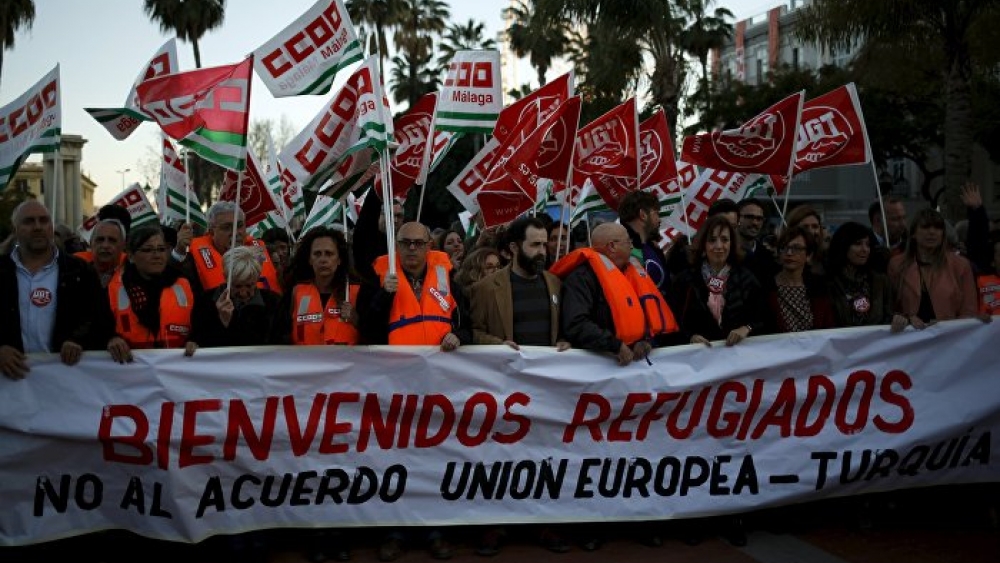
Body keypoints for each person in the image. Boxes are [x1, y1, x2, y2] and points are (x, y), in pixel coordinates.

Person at [0, 200, 112, 380]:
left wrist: (78, 340)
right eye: (29, 221)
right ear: (15, 229)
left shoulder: (80, 271)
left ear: (51, 227)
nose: (38, 227)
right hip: (10, 383)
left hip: (64, 380)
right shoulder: (2, 271)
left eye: (44, 220)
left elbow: (100, 320)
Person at [551, 223, 678, 366]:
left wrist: (645, 340)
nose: (631, 246)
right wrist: (615, 345)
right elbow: (576, 323)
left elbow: (645, 313)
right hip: (596, 369)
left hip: (633, 368)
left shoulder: (632, 273)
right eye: (628, 242)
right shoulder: (581, 278)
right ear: (612, 246)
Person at [359, 221, 471, 351]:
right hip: (397, 366)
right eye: (406, 243)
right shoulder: (378, 279)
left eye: (418, 243)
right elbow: (366, 331)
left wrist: (458, 337)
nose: (412, 248)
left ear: (429, 246)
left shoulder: (447, 279)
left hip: (439, 365)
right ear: (396, 246)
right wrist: (384, 295)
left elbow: (466, 327)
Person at [670, 214, 765, 346]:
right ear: (703, 244)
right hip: (698, 359)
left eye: (725, 240)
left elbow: (762, 317)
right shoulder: (685, 280)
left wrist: (746, 328)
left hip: (738, 358)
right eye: (712, 240)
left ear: (732, 244)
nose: (719, 246)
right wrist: (690, 337)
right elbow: (672, 320)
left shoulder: (746, 278)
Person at [105, 225, 198, 360]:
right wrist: (111, 339)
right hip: (130, 370)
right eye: (148, 250)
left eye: (161, 249)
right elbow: (98, 326)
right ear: (131, 256)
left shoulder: (185, 283)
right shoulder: (112, 289)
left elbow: (202, 323)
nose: (157, 255)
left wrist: (195, 339)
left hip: (176, 368)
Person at [888, 208, 979, 332]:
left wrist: (946, 326)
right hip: (909, 339)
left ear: (943, 234)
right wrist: (905, 318)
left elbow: (969, 310)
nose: (932, 232)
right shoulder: (896, 264)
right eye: (925, 227)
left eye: (937, 228)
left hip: (950, 338)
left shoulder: (961, 265)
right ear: (913, 233)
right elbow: (891, 308)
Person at [274, 227, 360, 346]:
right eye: (317, 254)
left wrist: (356, 320)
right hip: (305, 363)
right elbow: (280, 336)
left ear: (339, 259)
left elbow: (375, 336)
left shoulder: (357, 293)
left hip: (346, 363)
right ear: (309, 259)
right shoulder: (296, 292)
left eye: (329, 254)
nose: (323, 260)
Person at [176, 201, 281, 296]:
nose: (235, 233)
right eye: (227, 228)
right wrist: (179, 251)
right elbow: (169, 276)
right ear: (212, 232)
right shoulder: (191, 260)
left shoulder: (270, 254)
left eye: (239, 226)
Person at [190, 245, 282, 348]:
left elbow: (278, 344)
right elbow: (199, 341)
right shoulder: (206, 301)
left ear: (257, 278)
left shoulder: (273, 303)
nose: (243, 292)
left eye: (249, 285)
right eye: (237, 286)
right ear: (225, 277)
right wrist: (221, 322)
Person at [764, 225, 835, 333]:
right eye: (784, 247)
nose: (789, 253)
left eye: (796, 248)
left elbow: (828, 327)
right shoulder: (765, 286)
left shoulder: (819, 286)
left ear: (809, 255)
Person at [825, 222, 895, 327]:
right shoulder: (829, 283)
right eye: (858, 244)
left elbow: (890, 316)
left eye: (867, 244)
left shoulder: (881, 282)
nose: (865, 249)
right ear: (843, 245)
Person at [617, 190, 670, 296]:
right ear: (643, 215)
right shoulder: (623, 253)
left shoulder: (650, 247)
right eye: (656, 213)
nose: (659, 220)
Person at [75, 218, 128, 287]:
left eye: (112, 240)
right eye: (100, 240)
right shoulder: (74, 273)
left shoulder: (133, 276)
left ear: (123, 245)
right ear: (90, 243)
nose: (105, 245)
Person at [736, 197, 778, 284]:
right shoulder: (724, 252)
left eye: (759, 219)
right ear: (736, 218)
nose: (755, 223)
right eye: (749, 217)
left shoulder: (768, 257)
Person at [785, 204, 827, 276]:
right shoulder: (785, 260)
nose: (811, 231)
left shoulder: (828, 260)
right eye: (805, 227)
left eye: (815, 226)